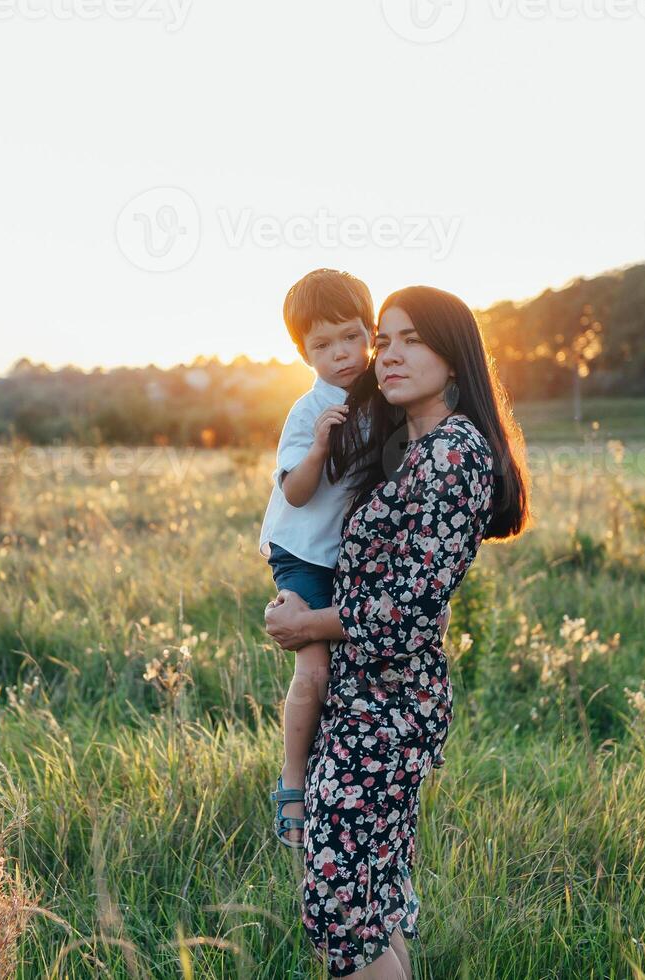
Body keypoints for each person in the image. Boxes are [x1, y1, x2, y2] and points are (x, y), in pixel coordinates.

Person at [265, 285, 530, 978]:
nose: (389, 354)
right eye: (385, 340)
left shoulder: (452, 454)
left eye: (412, 338)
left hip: (388, 708)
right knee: (365, 901)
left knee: (341, 906)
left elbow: (406, 609)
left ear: (454, 354)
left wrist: (306, 625)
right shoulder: (404, 447)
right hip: (359, 699)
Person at [258, 268, 375, 849]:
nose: (340, 355)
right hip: (303, 550)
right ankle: (294, 785)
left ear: (370, 331)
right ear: (303, 353)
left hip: (342, 551)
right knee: (316, 667)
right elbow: (297, 492)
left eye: (350, 337)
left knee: (358, 666)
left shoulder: (383, 394)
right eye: (321, 346)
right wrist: (323, 446)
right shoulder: (308, 412)